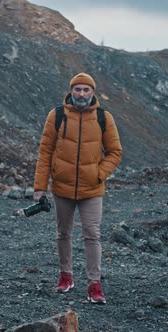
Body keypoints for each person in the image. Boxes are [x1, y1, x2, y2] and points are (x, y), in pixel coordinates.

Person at [33, 72, 122, 304]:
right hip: (62, 188)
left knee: (92, 234)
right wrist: (40, 187)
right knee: (63, 233)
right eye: (77, 89)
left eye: (86, 90)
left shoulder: (104, 117)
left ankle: (94, 284)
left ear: (92, 92)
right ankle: (66, 277)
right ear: (71, 91)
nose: (81, 94)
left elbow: (115, 152)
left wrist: (99, 174)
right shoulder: (57, 115)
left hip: (91, 189)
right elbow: (45, 152)